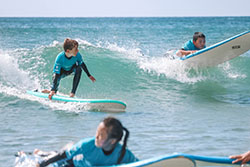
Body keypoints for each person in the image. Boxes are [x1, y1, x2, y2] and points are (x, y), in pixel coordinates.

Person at [36, 117, 138, 167]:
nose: (96, 136)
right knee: (58, 159)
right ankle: (43, 154)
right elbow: (63, 155)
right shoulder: (88, 144)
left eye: (101, 135)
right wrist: (42, 164)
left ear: (112, 141)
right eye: (97, 132)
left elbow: (139, 164)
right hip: (73, 164)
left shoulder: (123, 153)